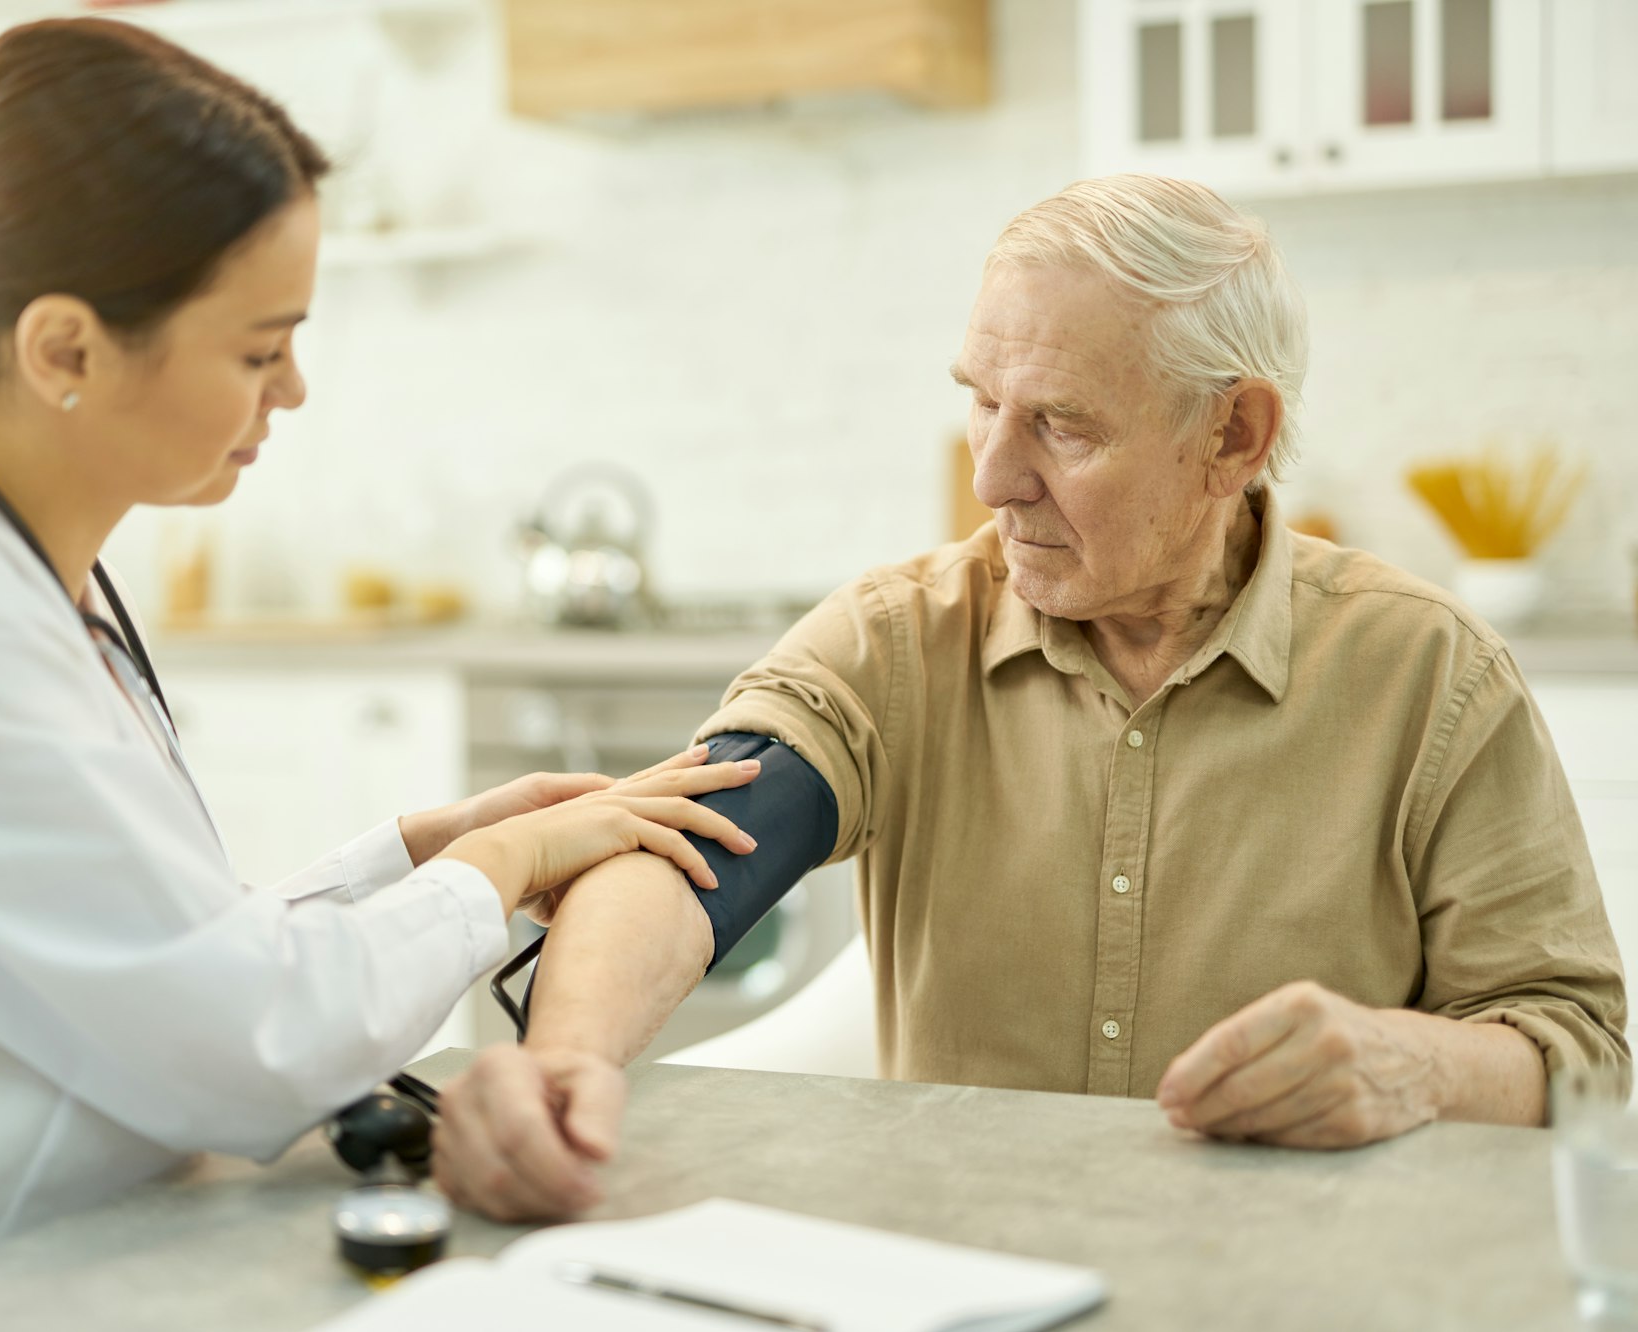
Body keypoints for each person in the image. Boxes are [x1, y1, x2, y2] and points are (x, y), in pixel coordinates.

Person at [0, 21, 762, 1330]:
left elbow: (137, 960)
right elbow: (237, 1046)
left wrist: (416, 849)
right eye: (257, 346)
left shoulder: (6, 577)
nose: (292, 387)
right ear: (64, 351)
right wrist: (500, 872)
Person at [430, 174, 1631, 1224]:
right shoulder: (897, 637)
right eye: (979, 402)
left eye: (1060, 425)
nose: (992, 479)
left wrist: (1413, 1063)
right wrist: (564, 1057)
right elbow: (683, 846)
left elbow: (1578, 1053)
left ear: (1232, 434)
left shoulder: (1428, 675)